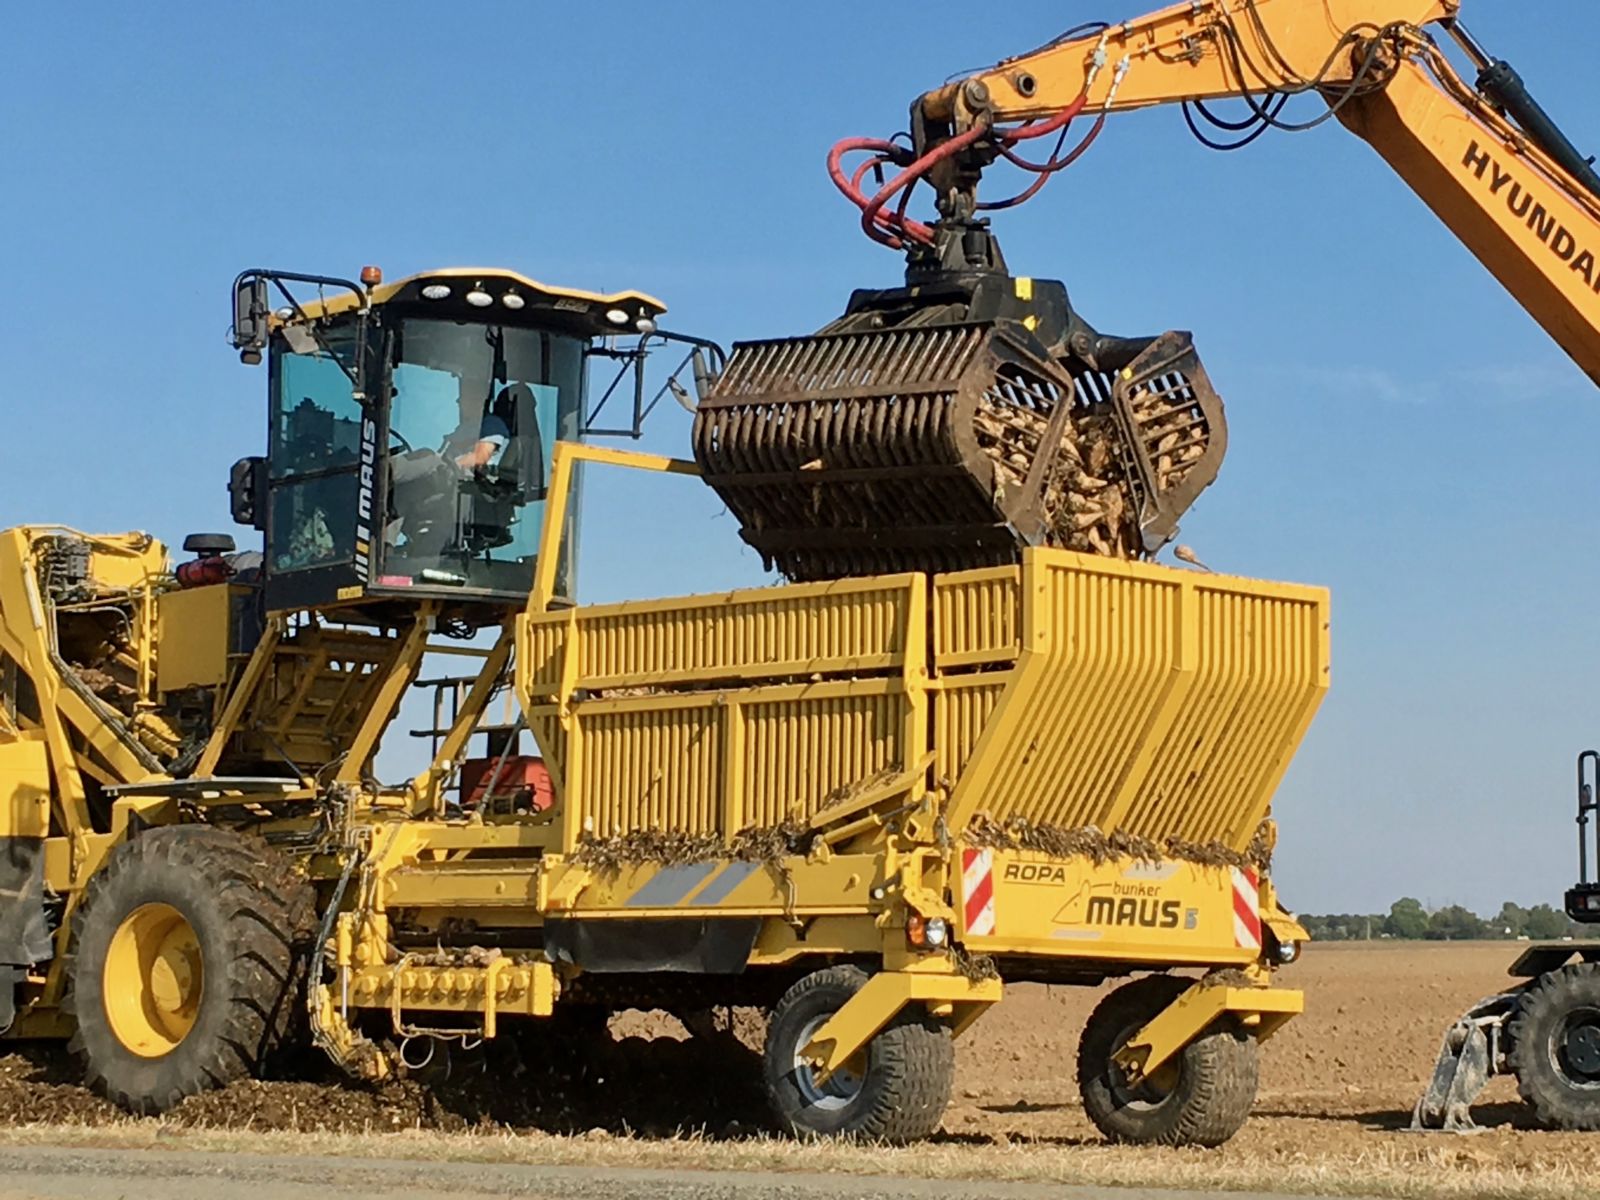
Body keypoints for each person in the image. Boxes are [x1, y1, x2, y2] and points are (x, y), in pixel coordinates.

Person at [388, 375, 511, 557]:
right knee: (400, 497)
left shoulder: (492, 424)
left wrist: (452, 465)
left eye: (464, 396)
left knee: (428, 456)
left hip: (466, 485)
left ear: (480, 397)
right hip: (447, 486)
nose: (458, 401)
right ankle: (385, 548)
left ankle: (386, 470)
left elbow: (482, 455)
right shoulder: (466, 427)